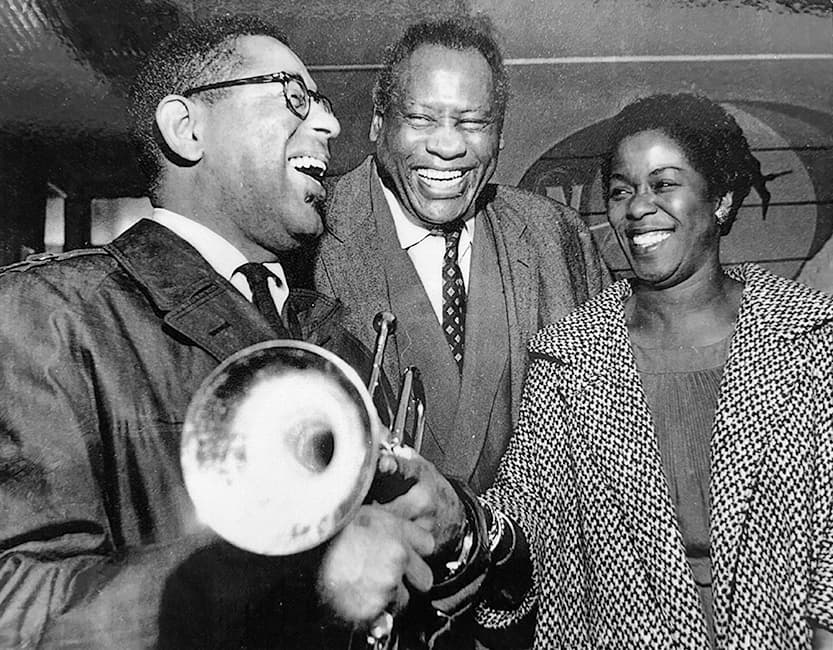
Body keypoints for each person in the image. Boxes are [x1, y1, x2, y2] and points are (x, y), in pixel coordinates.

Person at [0, 15, 460, 648]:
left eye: (322, 103)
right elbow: (16, 605)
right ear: (187, 129)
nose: (329, 125)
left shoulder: (336, 337)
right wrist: (290, 581)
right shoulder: (46, 313)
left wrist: (454, 525)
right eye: (293, 96)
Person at [472, 93, 833, 648]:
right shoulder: (569, 359)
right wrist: (462, 524)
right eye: (622, 191)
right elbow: (523, 519)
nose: (638, 207)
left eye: (664, 184)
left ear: (721, 199)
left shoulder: (808, 340)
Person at [312, 17, 609, 497]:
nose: (448, 146)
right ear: (378, 122)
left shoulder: (558, 237)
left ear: (500, 134)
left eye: (473, 123)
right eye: (420, 119)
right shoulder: (310, 234)